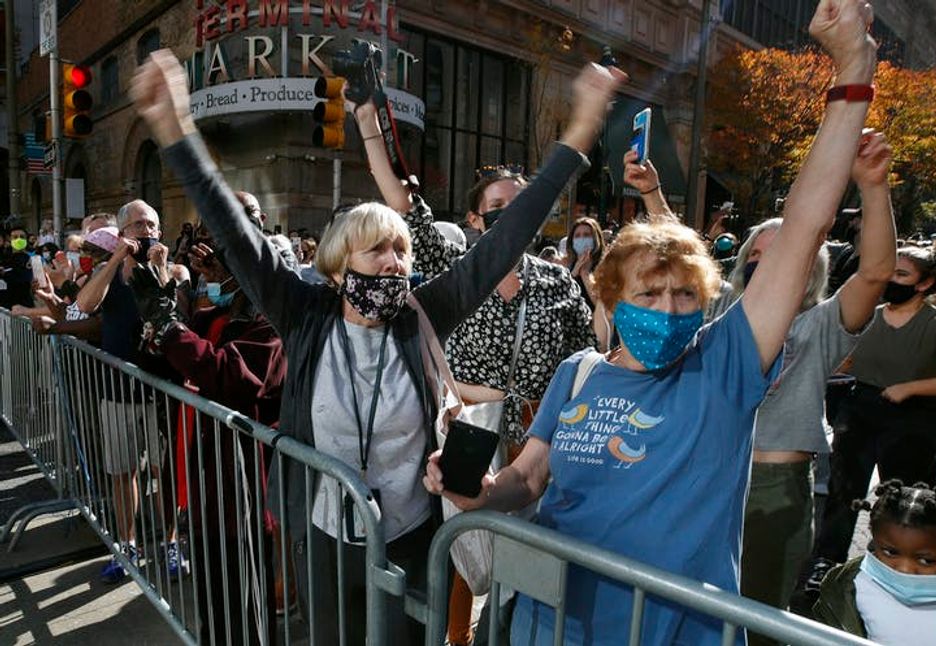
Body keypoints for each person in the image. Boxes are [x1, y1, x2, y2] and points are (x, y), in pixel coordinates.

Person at [130, 48, 623, 645]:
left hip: (412, 537)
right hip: (323, 535)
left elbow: (506, 239)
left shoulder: (424, 312)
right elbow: (236, 234)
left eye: (400, 251)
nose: (394, 263)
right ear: (339, 266)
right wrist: (175, 129)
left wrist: (579, 132)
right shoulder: (303, 311)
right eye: (377, 251)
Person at [424, 2, 880, 642]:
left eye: (685, 296)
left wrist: (853, 67)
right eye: (649, 295)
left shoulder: (724, 365)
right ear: (607, 300)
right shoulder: (577, 373)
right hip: (547, 621)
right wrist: (480, 493)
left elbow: (805, 224)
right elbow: (527, 477)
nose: (668, 311)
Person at [355, 87, 598, 646]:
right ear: (473, 218)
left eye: (523, 206)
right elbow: (401, 203)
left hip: (538, 437)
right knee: (466, 546)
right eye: (498, 209)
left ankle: (510, 634)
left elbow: (584, 356)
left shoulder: (558, 280)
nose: (512, 218)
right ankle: (456, 637)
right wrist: (371, 127)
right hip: (472, 428)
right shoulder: (456, 267)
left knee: (533, 550)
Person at [725, 130, 896, 644]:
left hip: (777, 492)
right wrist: (648, 193)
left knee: (759, 619)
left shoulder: (820, 324)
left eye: (785, 252)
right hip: (712, 475)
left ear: (810, 267)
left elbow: (877, 272)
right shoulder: (719, 313)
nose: (769, 262)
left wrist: (873, 187)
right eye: (759, 252)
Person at [806, 234, 936, 593]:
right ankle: (827, 563)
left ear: (926, 282)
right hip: (859, 411)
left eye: (900, 274)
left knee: (907, 500)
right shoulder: (869, 316)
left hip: (911, 418)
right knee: (843, 492)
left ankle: (908, 568)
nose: (889, 280)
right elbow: (846, 359)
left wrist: (912, 388)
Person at [128, 246, 283, 645]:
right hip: (201, 481)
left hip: (241, 491)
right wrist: (158, 320)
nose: (208, 269)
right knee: (213, 603)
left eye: (221, 258)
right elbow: (160, 363)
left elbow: (229, 374)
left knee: (245, 607)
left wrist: (170, 328)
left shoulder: (271, 323)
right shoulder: (211, 316)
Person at [75, 199, 188, 584]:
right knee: (124, 473)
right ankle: (128, 545)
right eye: (138, 225)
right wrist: (116, 259)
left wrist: (158, 269)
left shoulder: (173, 268)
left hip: (161, 392)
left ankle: (172, 542)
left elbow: (180, 313)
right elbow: (85, 303)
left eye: (153, 224)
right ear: (122, 232)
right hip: (118, 391)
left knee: (165, 472)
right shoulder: (111, 275)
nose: (148, 230)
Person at [813, 480, 936, 644]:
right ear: (874, 541)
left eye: (926, 560)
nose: (904, 569)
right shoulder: (841, 587)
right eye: (890, 552)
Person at [564, 217, 605, 310]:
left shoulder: (606, 267)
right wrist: (575, 271)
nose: (581, 239)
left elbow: (602, 306)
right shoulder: (567, 267)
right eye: (577, 236)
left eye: (586, 235)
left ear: (595, 239)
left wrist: (585, 273)